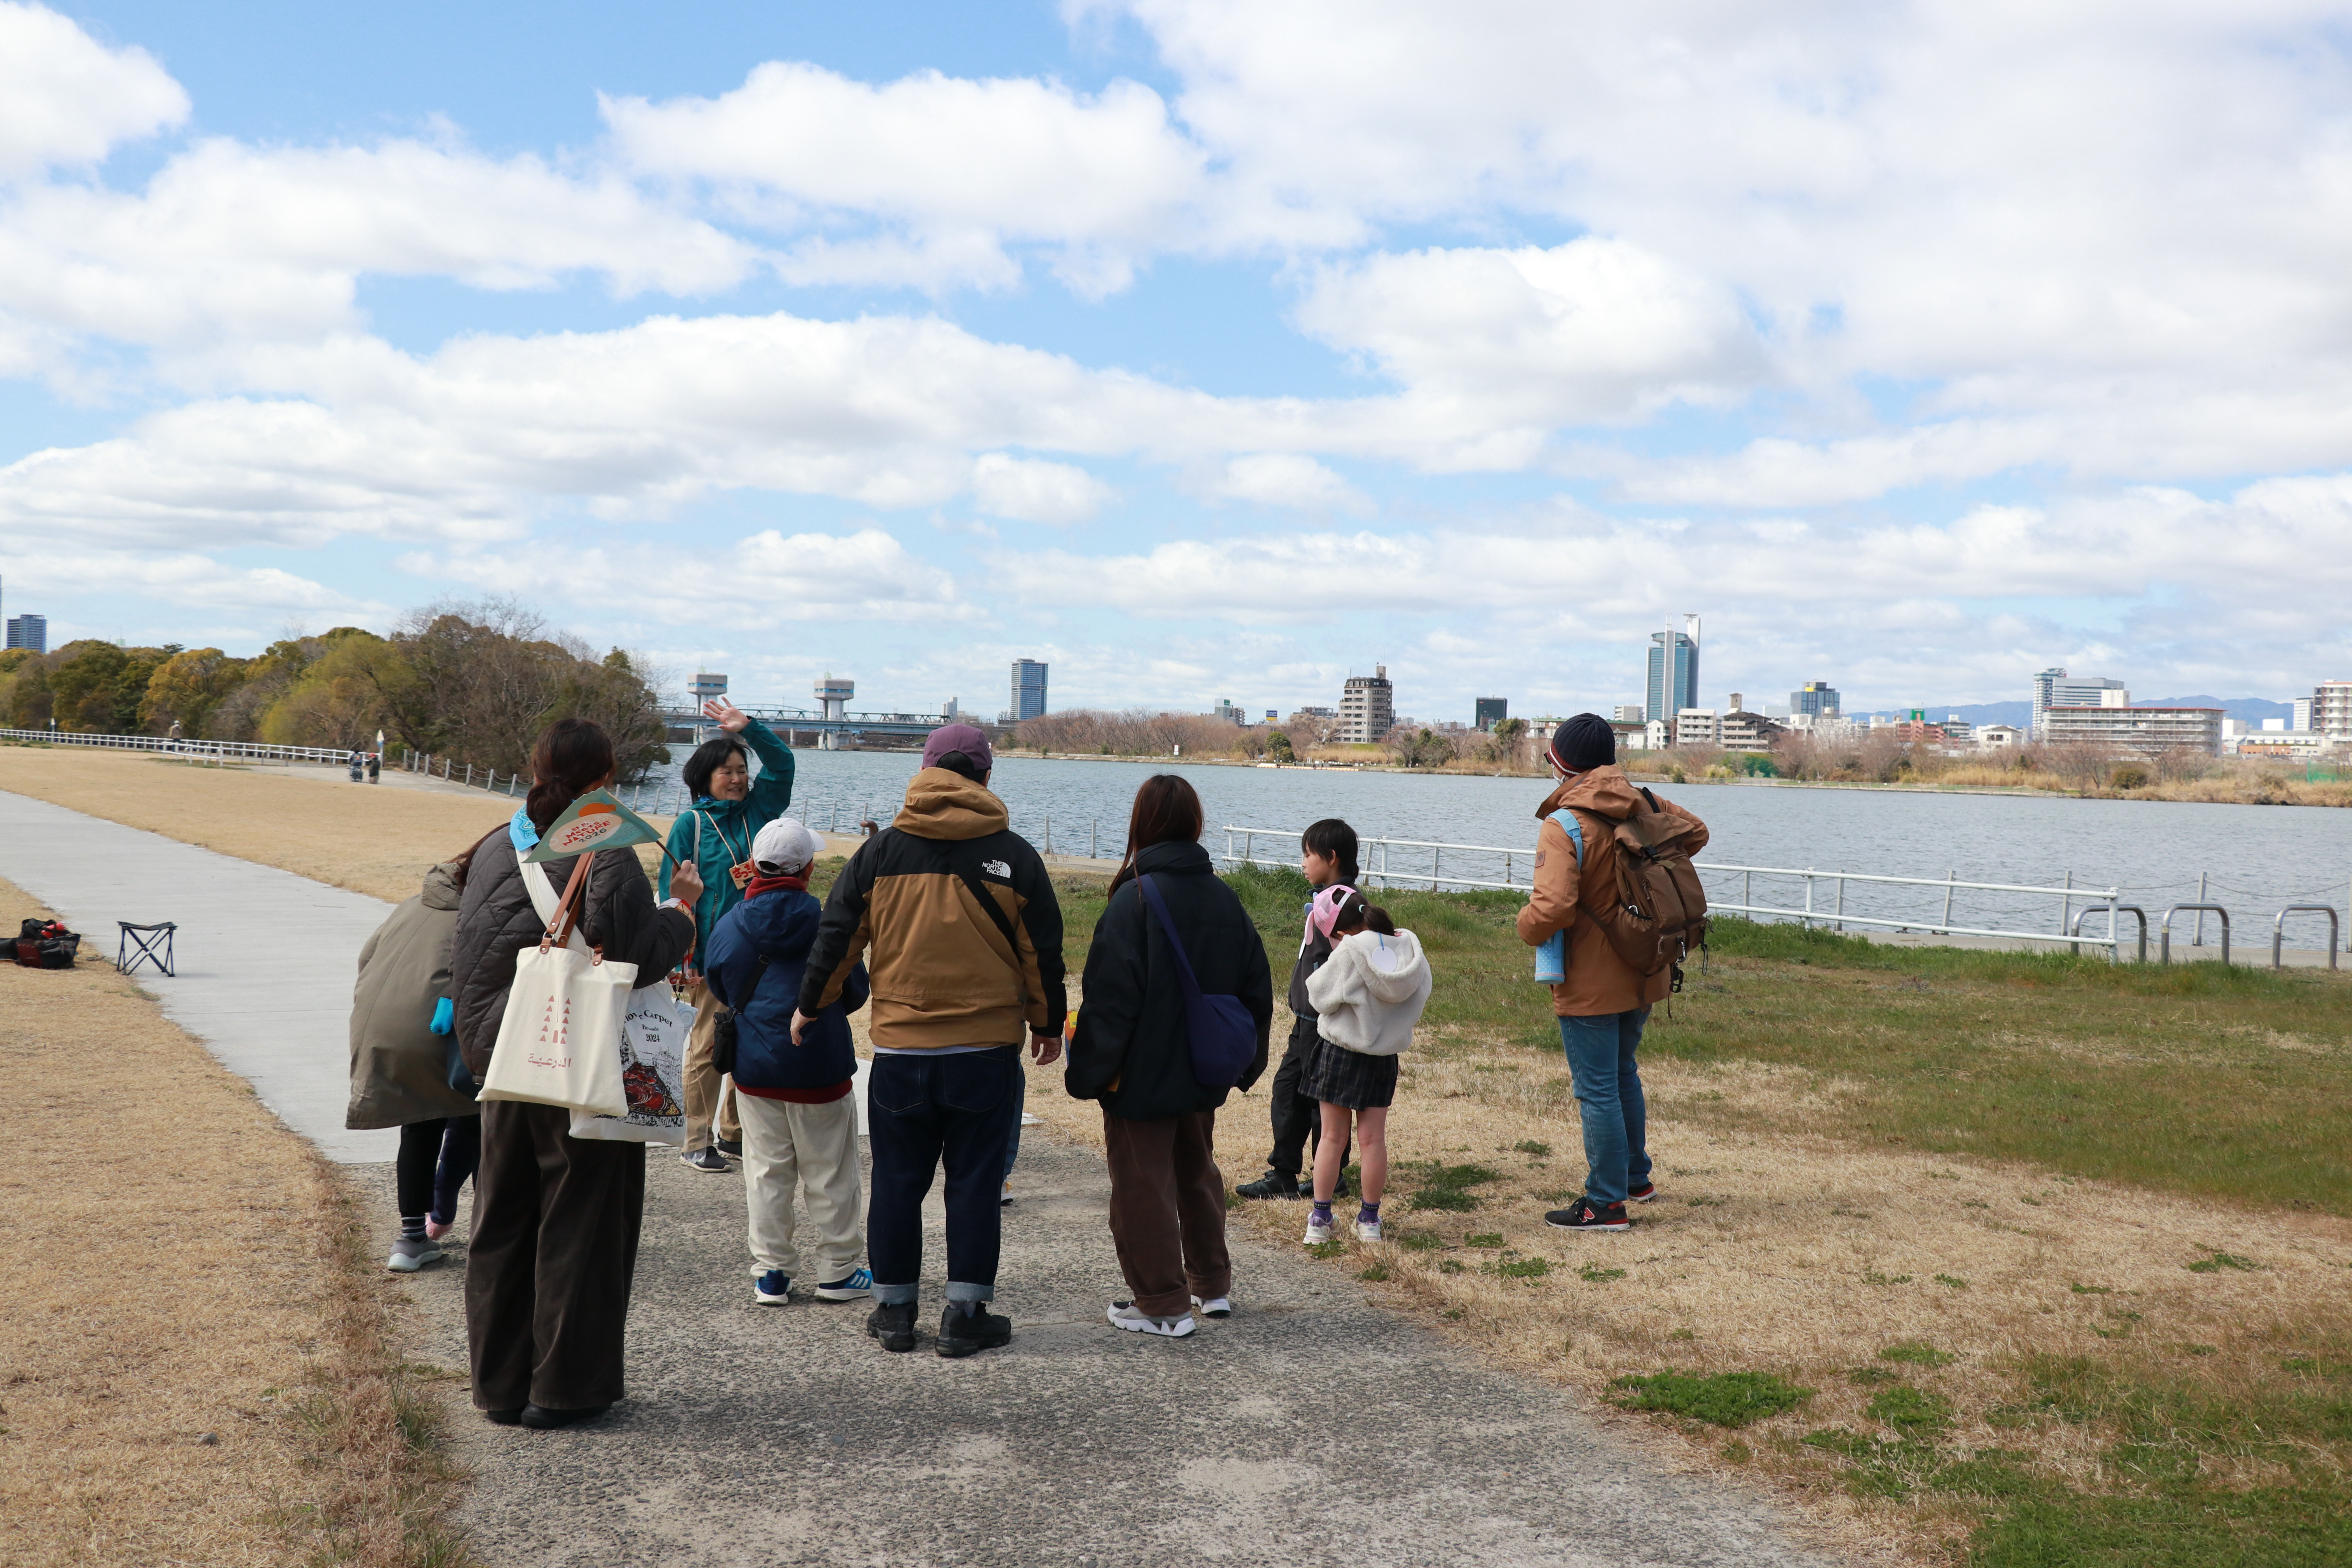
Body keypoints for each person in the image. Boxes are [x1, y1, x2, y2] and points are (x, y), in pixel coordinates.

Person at [448, 717, 702, 1429]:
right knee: (580, 1225)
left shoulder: (500, 844)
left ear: (535, 767)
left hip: (507, 1057)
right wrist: (683, 909)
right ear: (605, 776)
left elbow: (474, 949)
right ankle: (564, 1387)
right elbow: (632, 954)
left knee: (501, 1223)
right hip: (579, 1060)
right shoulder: (604, 839)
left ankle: (498, 1386)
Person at [795, 723, 1065, 1359]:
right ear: (987, 778)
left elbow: (837, 937)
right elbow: (1043, 951)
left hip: (900, 1051)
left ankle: (895, 1312)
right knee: (974, 1184)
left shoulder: (880, 854)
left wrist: (811, 1006)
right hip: (984, 1052)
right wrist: (1047, 1023)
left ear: (922, 773)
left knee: (896, 1181)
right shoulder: (1016, 854)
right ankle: (964, 1315)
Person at [1066, 776, 1273, 1337]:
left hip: (1141, 1075)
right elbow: (1258, 989)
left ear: (1142, 824)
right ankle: (1212, 1285)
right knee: (1197, 1173)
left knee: (1142, 1187)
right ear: (1195, 825)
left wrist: (1086, 1073)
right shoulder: (1224, 897)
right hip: (1204, 1069)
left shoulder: (1134, 899)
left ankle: (1161, 1304)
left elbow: (1110, 1003)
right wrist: (1246, 1065)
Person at [1515, 713, 1708, 1233]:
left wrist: (1525, 927)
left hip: (1590, 976)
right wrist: (1642, 821)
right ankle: (1634, 1178)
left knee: (1597, 1086)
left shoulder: (1565, 825)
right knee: (1623, 1073)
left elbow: (1552, 908)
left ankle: (1605, 1202)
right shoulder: (1640, 805)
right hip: (1644, 962)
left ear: (1559, 763)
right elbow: (1697, 831)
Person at [706, 818, 873, 1308]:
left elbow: (721, 986)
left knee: (766, 1173)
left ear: (754, 866)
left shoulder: (732, 922)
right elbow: (855, 992)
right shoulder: (829, 921)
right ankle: (838, 1271)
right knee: (832, 1173)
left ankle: (772, 1273)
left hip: (755, 1069)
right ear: (809, 869)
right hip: (820, 1066)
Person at [661, 699, 798, 1172]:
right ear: (705, 778)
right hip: (712, 956)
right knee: (706, 1045)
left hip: (764, 955)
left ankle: (736, 1133)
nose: (738, 778)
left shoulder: (760, 811)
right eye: (727, 771)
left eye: (742, 769)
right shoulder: (691, 824)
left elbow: (783, 764)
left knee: (753, 1042)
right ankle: (695, 1137)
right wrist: (684, 954)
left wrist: (751, 730)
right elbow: (673, 892)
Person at [346, 853, 486, 1272]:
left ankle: (410, 1239)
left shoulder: (410, 904)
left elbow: (366, 959)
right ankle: (490, 1232)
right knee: (486, 1120)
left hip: (381, 1027)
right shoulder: (485, 915)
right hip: (440, 1034)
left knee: (420, 1123)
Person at [1236, 819, 1359, 1201]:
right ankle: (1284, 1173)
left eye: (1308, 854)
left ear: (1332, 857)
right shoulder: (1331, 898)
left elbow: (1353, 958)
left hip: (1323, 1022)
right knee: (1289, 1089)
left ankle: (1331, 1174)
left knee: (1323, 1099)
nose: (1303, 862)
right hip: (1305, 1020)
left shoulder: (1342, 903)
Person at [1301, 893, 1431, 1246]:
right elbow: (1420, 995)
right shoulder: (1409, 951)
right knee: (1373, 1140)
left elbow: (1319, 996)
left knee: (1331, 1137)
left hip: (1341, 1051)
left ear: (1341, 933)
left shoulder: (1348, 950)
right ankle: (1370, 1221)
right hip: (1383, 1057)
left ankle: (1320, 1219)